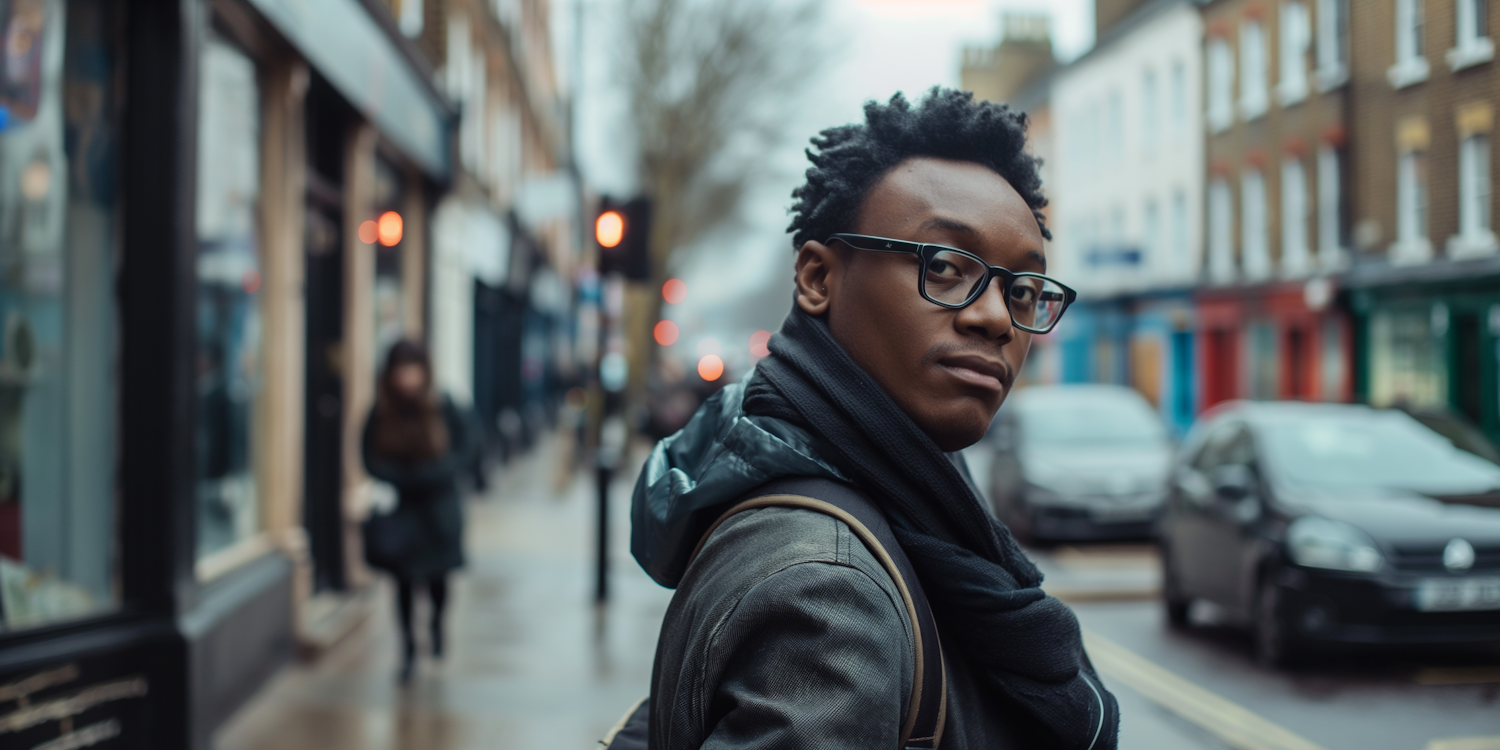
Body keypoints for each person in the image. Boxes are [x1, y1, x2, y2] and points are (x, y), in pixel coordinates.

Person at [630, 89, 1119, 748]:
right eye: (944, 267)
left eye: (1023, 289)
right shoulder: (829, 592)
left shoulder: (901, 501)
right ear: (817, 278)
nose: (997, 318)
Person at [362, 340, 475, 684]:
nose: (407, 377)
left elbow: (468, 448)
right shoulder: (382, 410)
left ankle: (437, 625)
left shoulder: (444, 406)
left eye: (413, 369)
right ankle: (408, 649)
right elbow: (368, 456)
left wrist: (436, 474)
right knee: (404, 585)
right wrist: (400, 478)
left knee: (439, 580)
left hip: (439, 511)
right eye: (401, 369)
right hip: (403, 511)